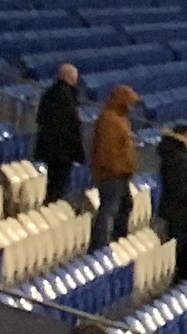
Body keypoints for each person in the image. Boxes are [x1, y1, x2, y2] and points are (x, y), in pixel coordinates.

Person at [86, 81, 143, 249]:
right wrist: (117, 169)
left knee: (124, 205)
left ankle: (117, 239)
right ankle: (100, 245)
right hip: (112, 174)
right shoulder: (109, 120)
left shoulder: (119, 119)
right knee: (109, 209)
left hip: (120, 173)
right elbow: (107, 149)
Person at [155, 116, 187, 273]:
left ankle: (183, 273)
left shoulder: (184, 155)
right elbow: (179, 185)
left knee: (185, 242)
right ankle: (180, 274)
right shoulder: (176, 157)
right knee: (180, 243)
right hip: (179, 209)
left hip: (185, 209)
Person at [32, 63, 85, 193]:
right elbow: (70, 127)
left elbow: (40, 118)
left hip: (50, 149)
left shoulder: (50, 94)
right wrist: (77, 151)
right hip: (61, 152)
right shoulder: (66, 98)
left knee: (52, 184)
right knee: (56, 186)